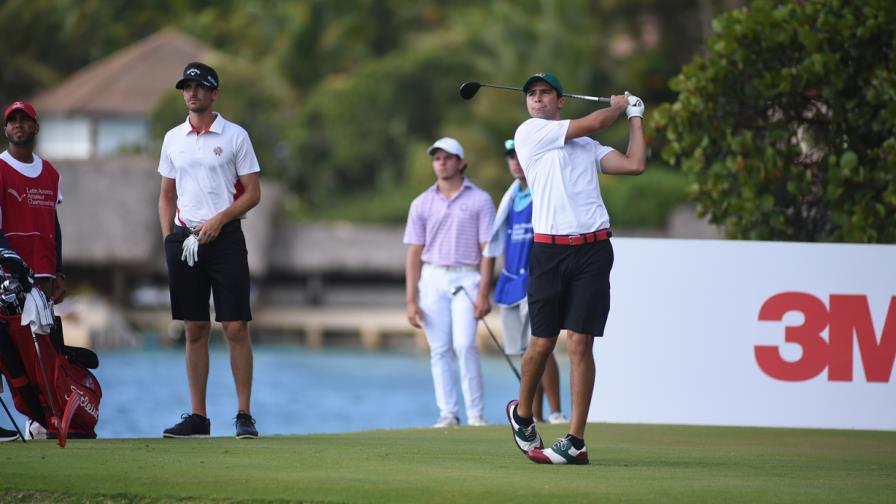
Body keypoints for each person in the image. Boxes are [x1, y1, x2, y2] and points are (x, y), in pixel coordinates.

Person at [505, 73, 646, 464]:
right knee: (543, 342)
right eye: (531, 94)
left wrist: (635, 116)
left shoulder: (587, 146)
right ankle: (523, 414)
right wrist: (618, 106)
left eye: (544, 94)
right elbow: (597, 120)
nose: (537, 100)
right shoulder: (529, 134)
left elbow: (635, 164)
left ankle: (575, 441)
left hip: (593, 251)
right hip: (549, 252)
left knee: (581, 344)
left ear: (560, 100)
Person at [158, 62, 262, 439]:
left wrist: (220, 219)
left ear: (215, 93)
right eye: (187, 86)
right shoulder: (173, 138)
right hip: (185, 243)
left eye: (200, 86)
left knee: (235, 327)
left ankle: (244, 414)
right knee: (195, 328)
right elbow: (167, 194)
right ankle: (199, 418)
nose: (192, 92)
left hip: (227, 240)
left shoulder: (235, 136)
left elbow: (253, 192)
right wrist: (169, 238)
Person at [404, 137, 496, 427]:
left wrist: (484, 293)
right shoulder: (421, 202)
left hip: (467, 276)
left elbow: (488, 250)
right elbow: (414, 253)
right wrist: (410, 300)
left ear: (461, 163)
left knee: (466, 344)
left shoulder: (480, 200)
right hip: (432, 278)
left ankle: (476, 415)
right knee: (440, 348)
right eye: (437, 158)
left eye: (448, 157)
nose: (441, 162)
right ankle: (448, 413)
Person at [485, 139, 567, 425]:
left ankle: (556, 413)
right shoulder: (511, 197)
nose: (515, 162)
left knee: (541, 346)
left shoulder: (542, 190)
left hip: (538, 279)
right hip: (511, 283)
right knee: (526, 353)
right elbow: (494, 246)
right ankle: (535, 415)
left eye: (520, 155)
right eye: (511, 157)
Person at [0, 101, 66, 441]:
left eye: (25, 121)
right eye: (13, 122)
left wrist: (60, 272)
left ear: (36, 128)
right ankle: (23, 418)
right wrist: (8, 261)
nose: (19, 126)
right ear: (6, 129)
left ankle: (48, 418)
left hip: (42, 277)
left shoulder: (50, 173)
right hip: (8, 277)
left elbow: (54, 225)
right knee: (7, 353)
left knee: (49, 351)